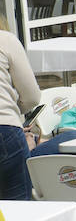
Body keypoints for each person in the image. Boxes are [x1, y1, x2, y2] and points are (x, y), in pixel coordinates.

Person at [0, 24, 40, 202]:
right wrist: (16, 115)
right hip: (5, 129)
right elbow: (31, 96)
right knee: (18, 211)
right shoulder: (5, 40)